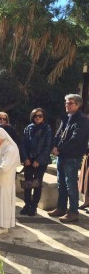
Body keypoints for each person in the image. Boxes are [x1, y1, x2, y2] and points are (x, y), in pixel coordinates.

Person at [48, 94, 89, 223]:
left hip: (72, 156)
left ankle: (73, 212)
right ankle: (61, 207)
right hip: (61, 155)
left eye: (70, 103)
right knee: (61, 183)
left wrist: (59, 149)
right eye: (66, 102)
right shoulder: (66, 117)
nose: (67, 105)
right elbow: (58, 133)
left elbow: (76, 140)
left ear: (78, 105)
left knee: (71, 185)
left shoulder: (82, 119)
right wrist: (54, 145)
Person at [20, 108, 52, 216]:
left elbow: (48, 146)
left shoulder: (47, 129)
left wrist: (38, 160)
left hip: (40, 161)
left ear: (43, 117)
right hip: (29, 160)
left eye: (40, 116)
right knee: (28, 183)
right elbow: (23, 144)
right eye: (35, 116)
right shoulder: (28, 128)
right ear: (32, 117)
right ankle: (27, 204)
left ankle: (34, 206)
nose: (37, 118)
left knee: (37, 183)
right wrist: (25, 158)